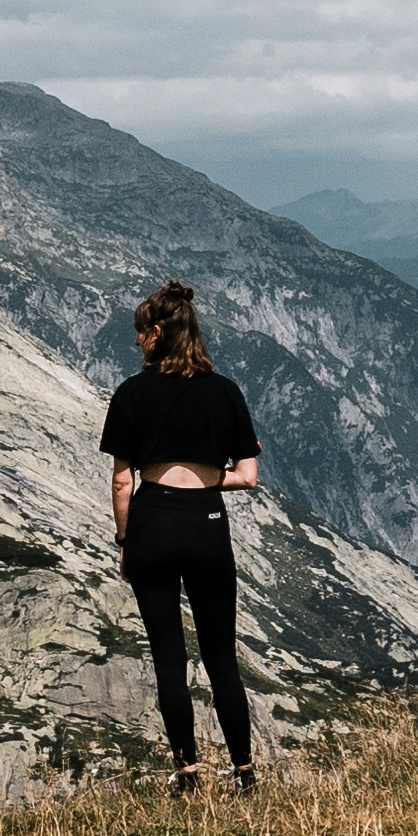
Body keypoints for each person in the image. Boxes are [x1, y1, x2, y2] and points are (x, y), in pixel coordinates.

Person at [101, 279, 263, 785]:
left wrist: (125, 543)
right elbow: (249, 476)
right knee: (221, 657)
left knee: (169, 657)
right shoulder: (225, 392)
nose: (135, 342)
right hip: (206, 523)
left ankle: (188, 770)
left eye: (139, 332)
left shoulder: (130, 393)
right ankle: (243, 771)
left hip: (151, 523)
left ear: (156, 334)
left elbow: (122, 480)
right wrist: (208, 480)